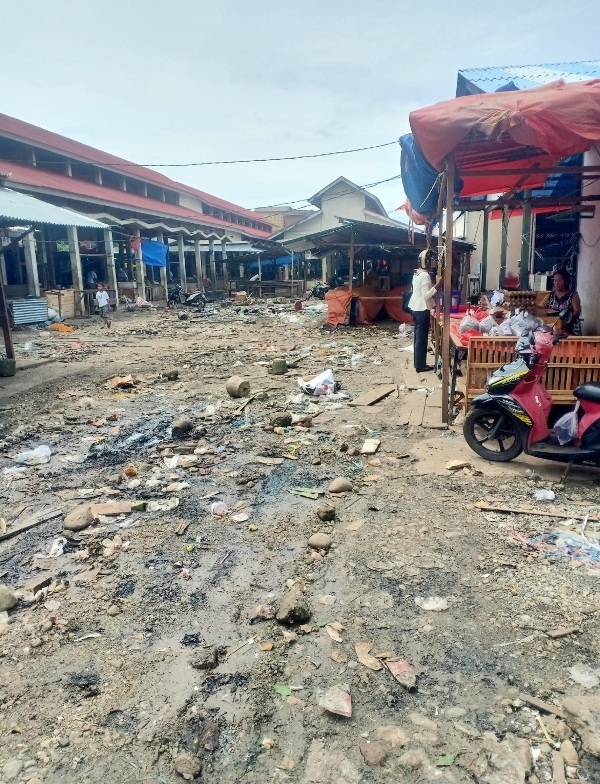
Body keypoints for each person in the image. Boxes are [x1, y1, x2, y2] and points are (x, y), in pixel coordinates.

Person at [407, 253, 442, 372]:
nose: (433, 262)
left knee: (418, 337)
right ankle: (421, 366)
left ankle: (418, 363)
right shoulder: (425, 275)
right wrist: (437, 285)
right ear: (426, 261)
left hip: (415, 307)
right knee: (421, 339)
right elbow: (426, 295)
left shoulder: (417, 273)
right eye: (431, 260)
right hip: (422, 308)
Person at [537, 268, 582, 335]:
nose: (556, 283)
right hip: (553, 328)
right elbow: (540, 307)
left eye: (559, 280)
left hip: (570, 329)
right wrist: (541, 307)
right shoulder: (550, 295)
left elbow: (577, 312)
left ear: (566, 281)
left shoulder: (573, 295)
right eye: (555, 281)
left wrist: (564, 320)